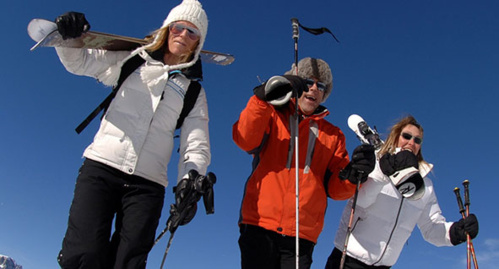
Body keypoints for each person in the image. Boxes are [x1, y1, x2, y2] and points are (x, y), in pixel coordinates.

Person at [53, 1, 211, 268]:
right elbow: (80, 62)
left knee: (128, 262)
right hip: (102, 167)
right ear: (167, 29)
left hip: (147, 184)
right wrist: (70, 38)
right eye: (179, 27)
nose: (184, 35)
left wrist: (191, 177)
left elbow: (196, 142)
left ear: (198, 42)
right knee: (84, 253)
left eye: (192, 32)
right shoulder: (132, 60)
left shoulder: (193, 92)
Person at [232, 57, 376, 269]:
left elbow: (336, 190)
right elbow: (245, 139)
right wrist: (262, 98)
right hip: (260, 224)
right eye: (308, 82)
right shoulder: (271, 114)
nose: (314, 88)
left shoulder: (333, 135)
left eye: (321, 86)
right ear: (295, 84)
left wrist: (355, 174)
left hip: (302, 235)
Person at [325, 115, 479, 269]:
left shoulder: (425, 185)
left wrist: (455, 232)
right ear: (396, 137)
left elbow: (431, 228)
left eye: (417, 140)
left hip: (384, 266)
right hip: (348, 259)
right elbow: (360, 202)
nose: (411, 142)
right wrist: (382, 174)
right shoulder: (376, 163)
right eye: (407, 136)